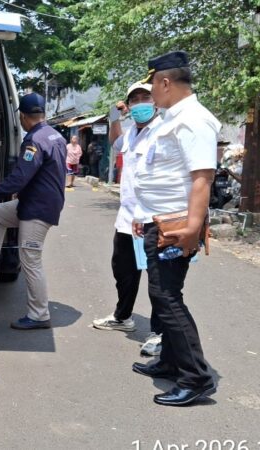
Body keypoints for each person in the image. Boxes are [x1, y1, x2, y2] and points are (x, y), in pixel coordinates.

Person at [131, 51, 219, 406]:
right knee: (161, 295)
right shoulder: (172, 117)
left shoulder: (194, 120)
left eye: (152, 84)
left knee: (168, 298)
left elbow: (202, 178)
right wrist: (143, 213)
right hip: (158, 220)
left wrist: (193, 227)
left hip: (176, 226)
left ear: (165, 82)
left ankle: (196, 377)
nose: (150, 92)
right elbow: (162, 173)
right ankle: (170, 360)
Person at [0, 92, 67, 330]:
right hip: (35, 202)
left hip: (37, 209)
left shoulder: (34, 140)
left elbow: (19, 178)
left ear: (23, 117)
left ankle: (39, 315)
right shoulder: (55, 135)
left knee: (30, 260)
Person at [92, 82, 164, 357]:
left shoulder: (163, 131)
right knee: (122, 269)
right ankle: (122, 317)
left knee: (158, 278)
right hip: (128, 217)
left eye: (146, 97)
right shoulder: (132, 131)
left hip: (154, 217)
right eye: (135, 99)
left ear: (156, 101)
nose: (140, 103)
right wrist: (114, 118)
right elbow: (115, 142)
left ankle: (160, 333)